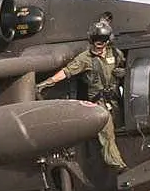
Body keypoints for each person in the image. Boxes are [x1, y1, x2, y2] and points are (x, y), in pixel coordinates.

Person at [36, 16, 127, 171]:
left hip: (114, 100)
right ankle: (117, 164)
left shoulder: (116, 54)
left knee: (121, 129)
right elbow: (67, 72)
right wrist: (46, 83)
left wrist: (124, 73)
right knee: (107, 133)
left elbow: (126, 66)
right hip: (98, 102)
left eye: (102, 42)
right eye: (96, 42)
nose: (99, 46)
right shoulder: (85, 58)